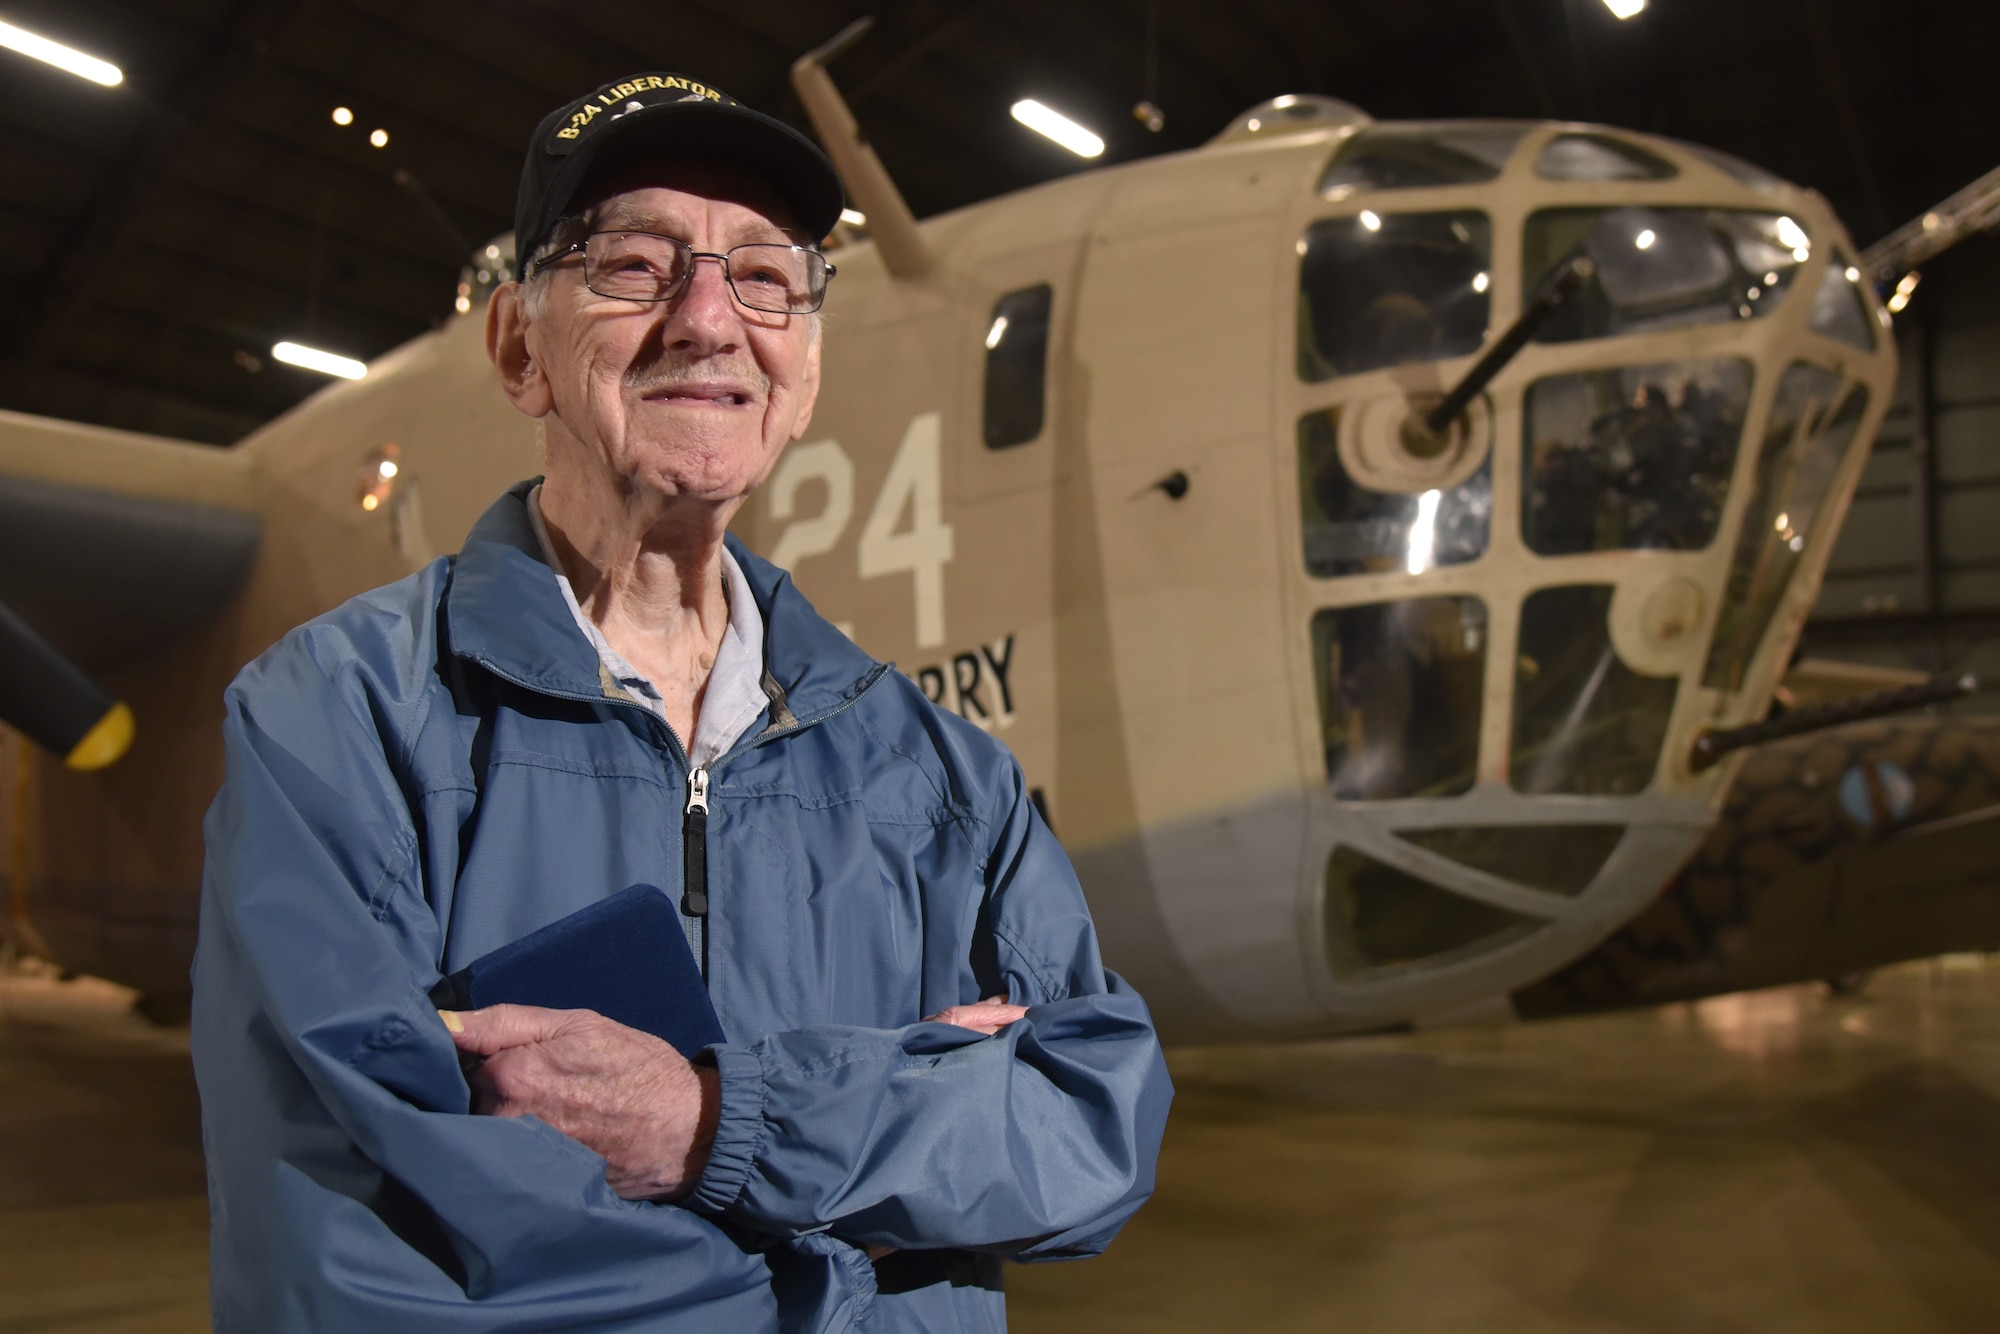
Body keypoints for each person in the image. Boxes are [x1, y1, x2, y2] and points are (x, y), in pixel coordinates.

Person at [192, 73, 1171, 1332]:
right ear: (516, 348)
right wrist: (897, 1129)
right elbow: (357, 1264)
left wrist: (709, 1122)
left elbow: (1090, 1130)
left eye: (764, 276)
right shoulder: (336, 722)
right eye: (632, 265)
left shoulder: (941, 777)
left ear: (802, 375)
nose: (708, 320)